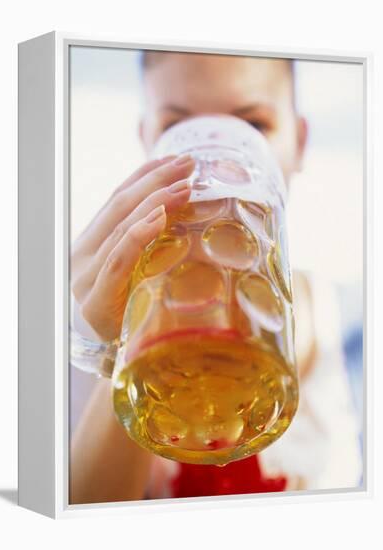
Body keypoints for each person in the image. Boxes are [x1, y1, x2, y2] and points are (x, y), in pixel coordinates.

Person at [69, 52, 362, 504]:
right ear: (147, 141)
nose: (215, 162)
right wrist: (112, 349)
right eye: (176, 127)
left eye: (255, 126)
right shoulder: (92, 319)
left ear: (299, 142)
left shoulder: (326, 306)